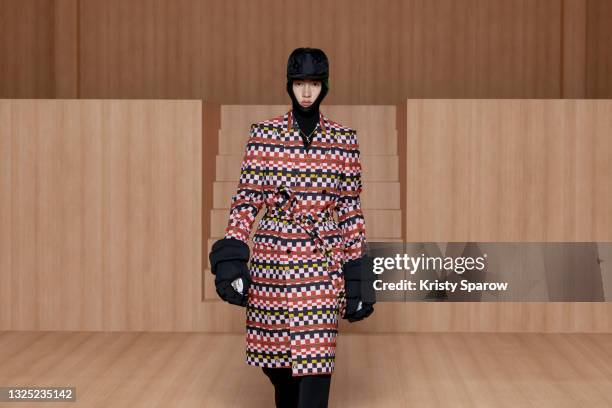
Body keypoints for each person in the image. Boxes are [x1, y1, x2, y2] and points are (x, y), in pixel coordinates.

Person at [209, 47, 375, 408]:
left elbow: (350, 210)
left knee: (316, 365)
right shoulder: (264, 135)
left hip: (322, 261)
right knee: (280, 371)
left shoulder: (344, 140)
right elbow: (246, 201)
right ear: (289, 85)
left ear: (325, 87)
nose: (305, 92)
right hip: (273, 262)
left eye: (313, 83)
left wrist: (357, 275)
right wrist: (232, 257)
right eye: (299, 83)